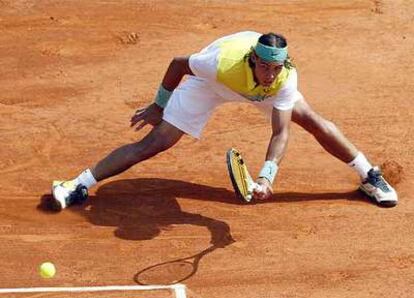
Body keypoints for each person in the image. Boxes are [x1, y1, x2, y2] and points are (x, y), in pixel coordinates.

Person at [51, 31, 398, 210]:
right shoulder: (220, 63)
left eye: (276, 68)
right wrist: (160, 104)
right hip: (213, 86)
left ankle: (369, 176)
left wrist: (266, 175)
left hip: (254, 93)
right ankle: (76, 184)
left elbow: (281, 131)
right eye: (264, 66)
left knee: (310, 120)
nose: (270, 73)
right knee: (155, 143)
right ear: (252, 60)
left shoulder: (282, 79)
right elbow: (177, 64)